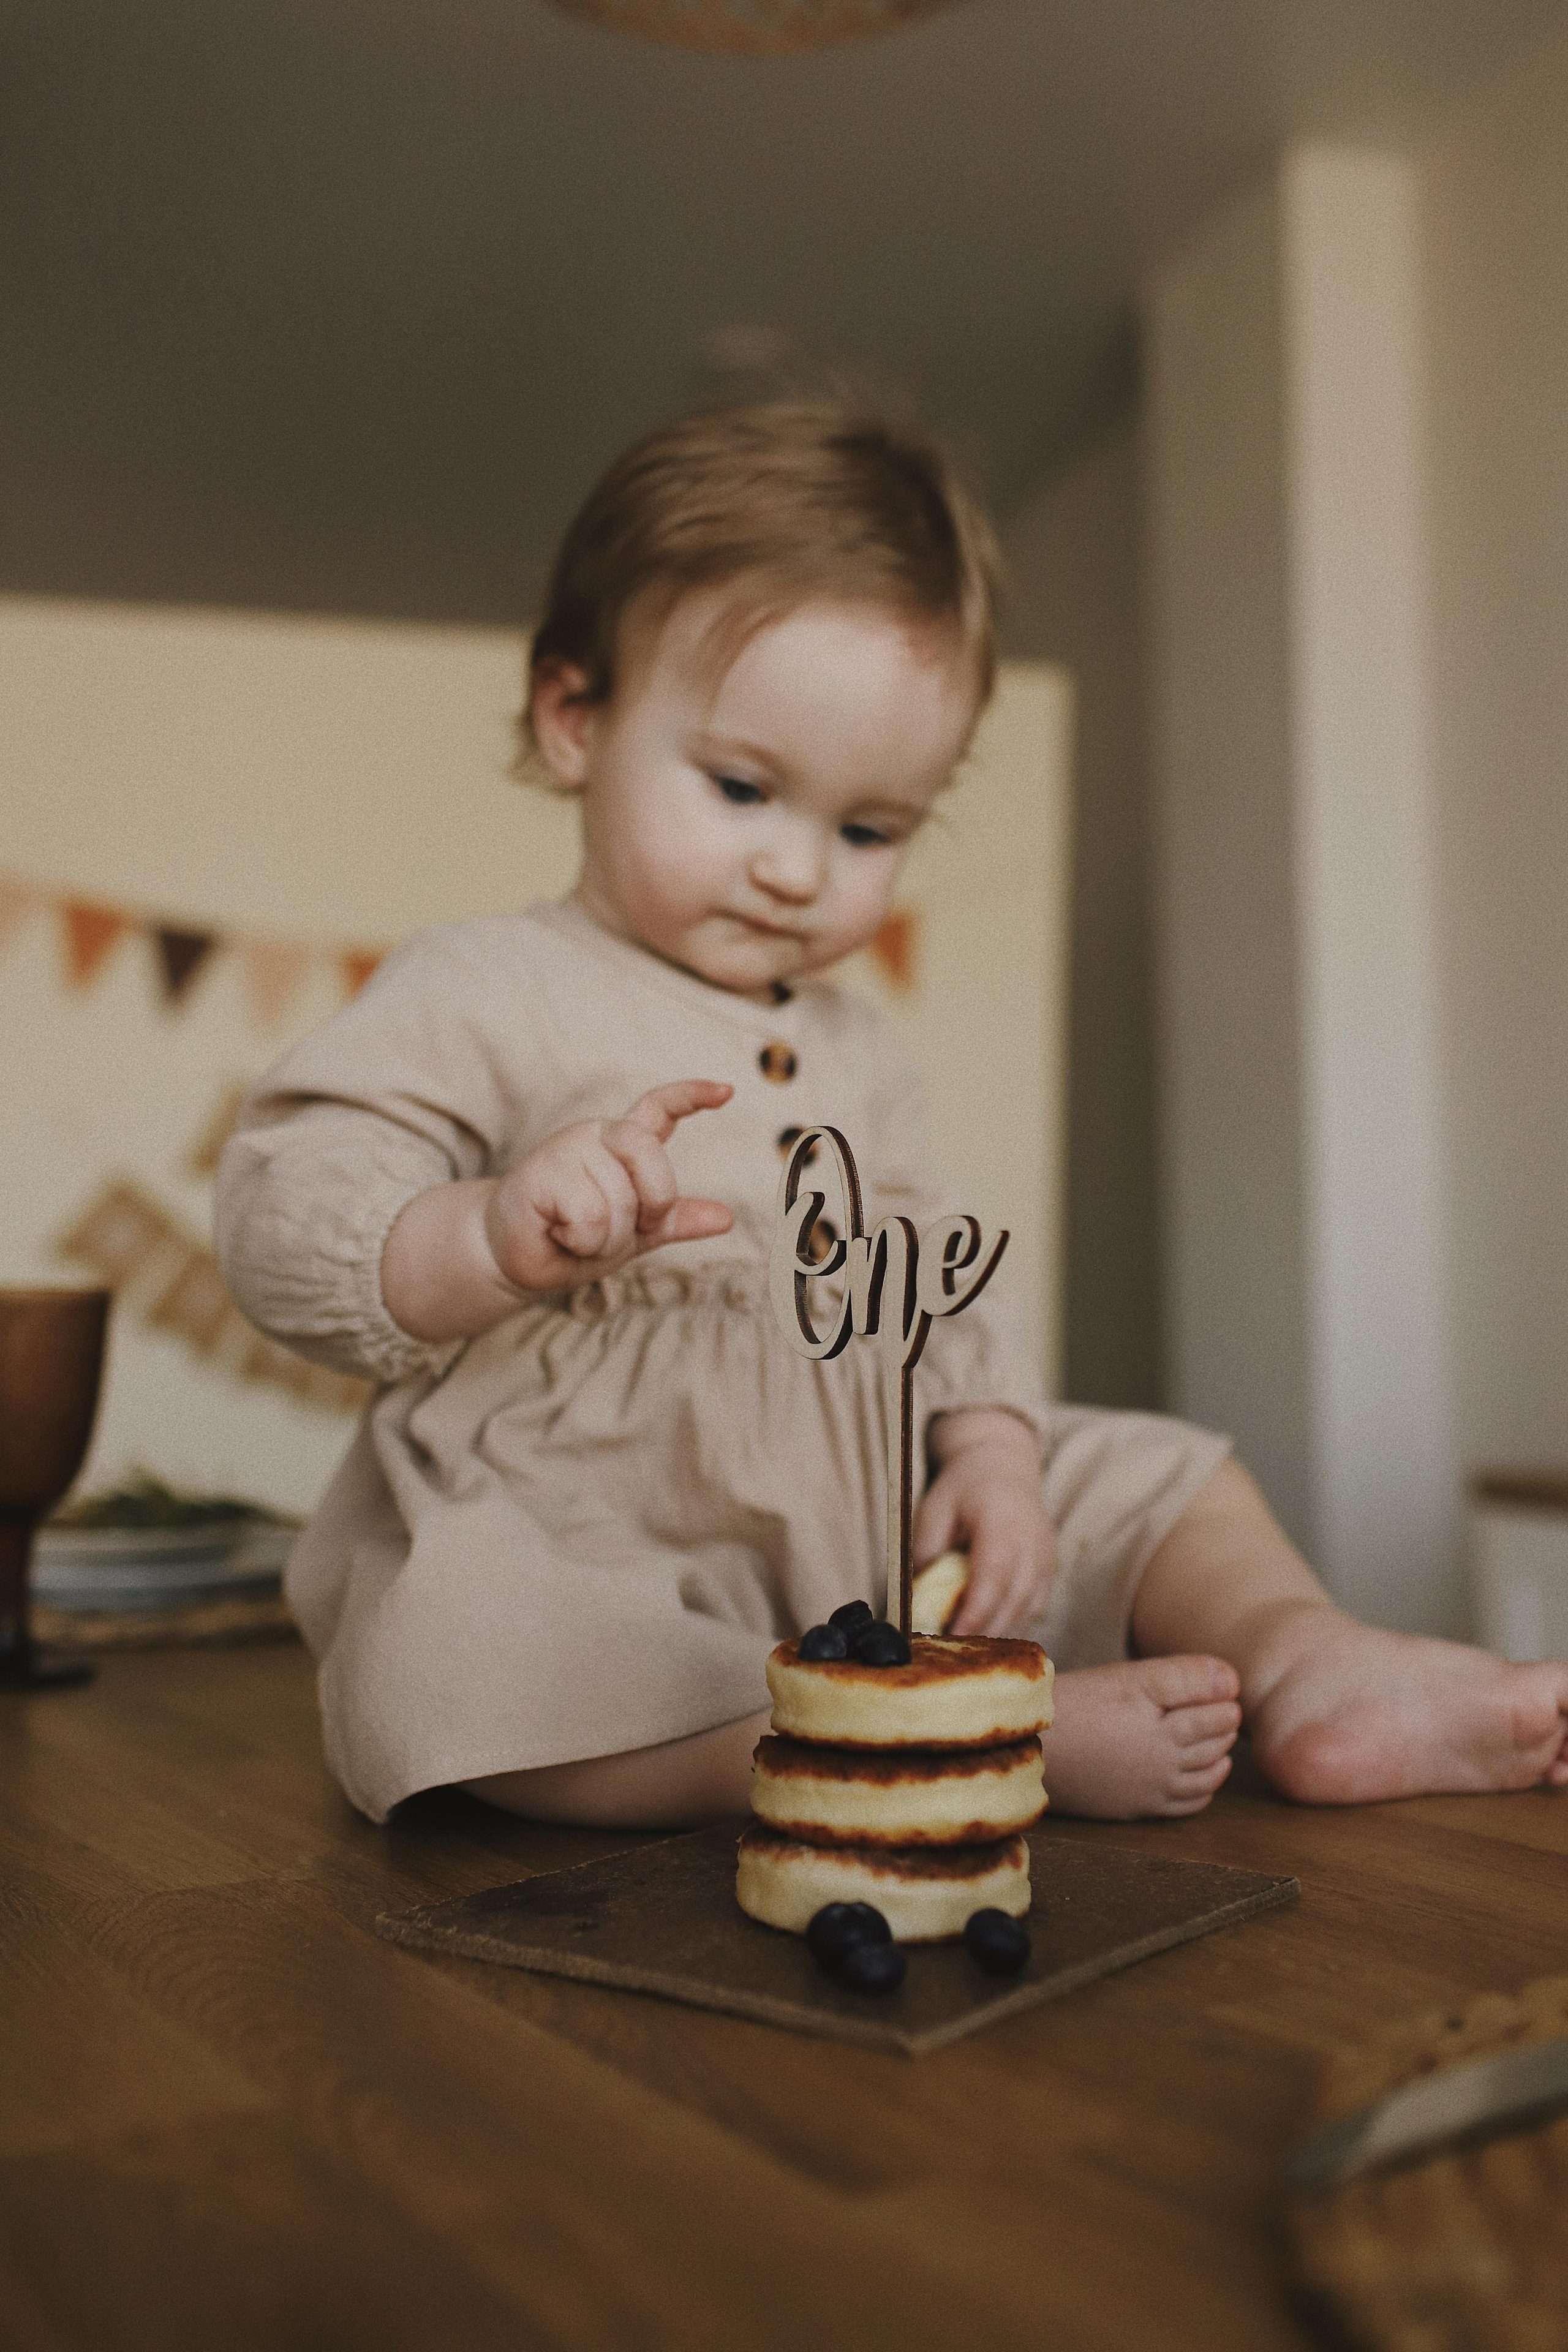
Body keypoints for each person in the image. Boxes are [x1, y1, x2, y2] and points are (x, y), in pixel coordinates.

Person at [216, 402, 1568, 1830]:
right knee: (462, 1648)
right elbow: (289, 1208)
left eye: (868, 830)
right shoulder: (483, 983)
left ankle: (1308, 1666)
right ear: (575, 719)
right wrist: (480, 1238)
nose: (799, 871)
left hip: (865, 1508)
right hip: (596, 1517)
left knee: (1160, 1473)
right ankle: (848, 1749)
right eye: (742, 788)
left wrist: (989, 1451)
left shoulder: (860, 1050)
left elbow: (922, 1271)